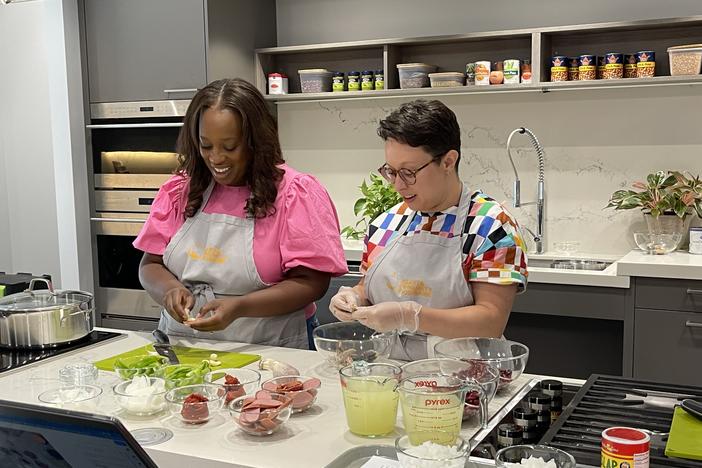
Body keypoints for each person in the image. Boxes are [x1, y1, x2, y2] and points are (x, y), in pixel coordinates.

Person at [134, 78, 348, 349]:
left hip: (270, 347)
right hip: (183, 345)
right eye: (206, 145)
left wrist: (240, 307)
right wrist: (170, 290)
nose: (216, 158)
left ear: (255, 142)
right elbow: (150, 264)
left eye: (230, 146)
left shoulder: (295, 193)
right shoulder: (181, 191)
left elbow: (312, 283)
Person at [329, 99, 528, 361]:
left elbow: (490, 321)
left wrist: (411, 316)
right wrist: (353, 297)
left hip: (462, 377)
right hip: (389, 370)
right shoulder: (386, 224)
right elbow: (369, 288)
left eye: (409, 172)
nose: (398, 185)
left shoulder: (490, 226)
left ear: (448, 161)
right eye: (391, 171)